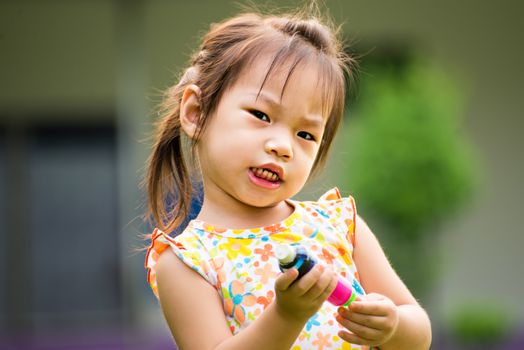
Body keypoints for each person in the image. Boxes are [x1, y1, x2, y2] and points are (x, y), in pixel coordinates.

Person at [144, 4, 431, 350]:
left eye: (306, 135)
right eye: (261, 115)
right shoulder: (186, 261)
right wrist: (287, 315)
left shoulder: (339, 225)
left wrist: (393, 326)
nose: (283, 147)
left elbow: (418, 331)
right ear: (196, 113)